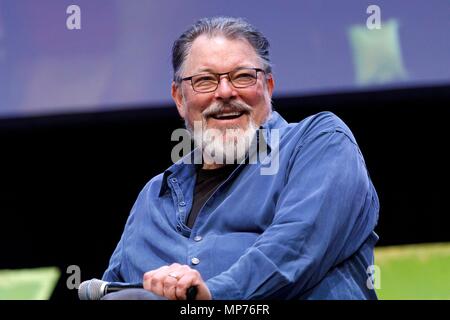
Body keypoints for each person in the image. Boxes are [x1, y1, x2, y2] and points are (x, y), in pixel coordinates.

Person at [102, 16, 379, 300]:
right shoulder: (152, 200)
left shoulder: (319, 143)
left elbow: (297, 246)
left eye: (243, 76)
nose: (225, 92)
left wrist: (210, 296)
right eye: (205, 80)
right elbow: (111, 291)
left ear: (268, 87)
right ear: (179, 98)